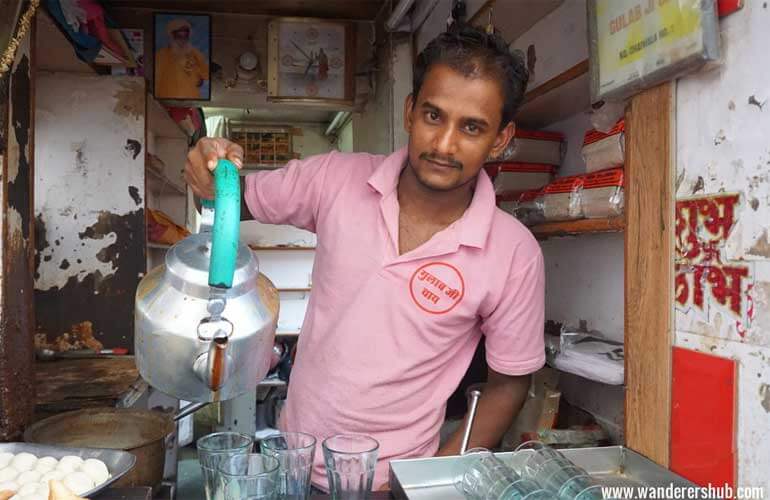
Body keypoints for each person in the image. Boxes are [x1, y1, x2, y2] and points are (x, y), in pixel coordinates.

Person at [185, 22, 545, 491]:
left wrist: (433, 477)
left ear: (500, 138)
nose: (444, 145)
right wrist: (209, 165)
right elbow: (223, 202)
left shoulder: (515, 253)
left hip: (395, 480)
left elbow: (509, 383)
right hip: (295, 464)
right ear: (410, 110)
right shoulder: (335, 179)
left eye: (471, 127)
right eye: (434, 116)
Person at [154, 18, 209, 99]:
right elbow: (156, 81)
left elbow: (206, 75)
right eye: (179, 34)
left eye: (186, 34)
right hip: (167, 101)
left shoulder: (195, 54)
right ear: (172, 35)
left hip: (191, 101)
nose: (182, 38)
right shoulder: (161, 55)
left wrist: (195, 53)